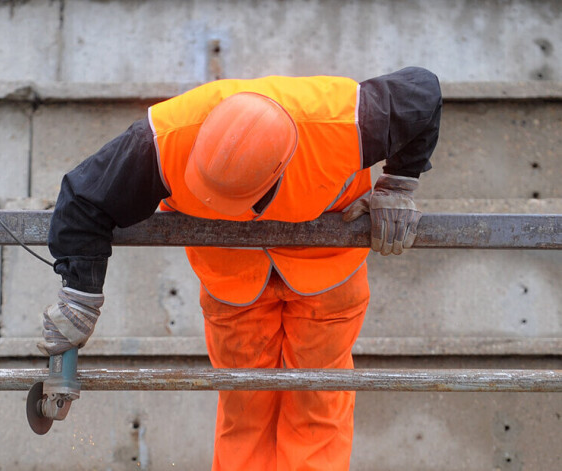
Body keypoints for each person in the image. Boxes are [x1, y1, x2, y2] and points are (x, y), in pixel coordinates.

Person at [39, 67, 442, 470]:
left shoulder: (340, 122)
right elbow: (82, 200)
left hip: (327, 271)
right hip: (230, 280)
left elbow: (423, 93)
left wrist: (398, 183)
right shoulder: (162, 141)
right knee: (243, 406)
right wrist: (80, 295)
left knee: (318, 401)